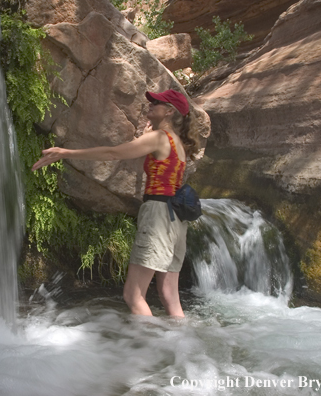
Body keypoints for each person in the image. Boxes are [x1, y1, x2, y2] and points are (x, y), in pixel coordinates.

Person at [32, 89, 201, 317]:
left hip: (158, 216)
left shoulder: (159, 138)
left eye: (156, 102)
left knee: (133, 295)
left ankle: (148, 350)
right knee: (170, 296)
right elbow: (157, 170)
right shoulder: (176, 142)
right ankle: (181, 347)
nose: (149, 104)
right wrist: (144, 136)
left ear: (169, 111)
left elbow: (113, 153)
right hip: (176, 221)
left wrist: (65, 152)